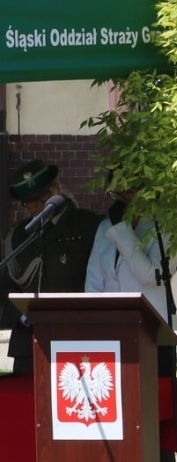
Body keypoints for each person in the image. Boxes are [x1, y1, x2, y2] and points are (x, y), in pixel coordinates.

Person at [85, 188, 177, 462]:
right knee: (115, 424)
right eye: (116, 187)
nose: (121, 194)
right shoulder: (107, 226)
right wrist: (89, 324)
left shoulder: (166, 224)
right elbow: (93, 280)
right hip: (112, 336)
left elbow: (152, 275)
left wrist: (123, 229)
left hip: (153, 336)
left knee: (155, 429)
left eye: (129, 186)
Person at [1, 161, 103, 375]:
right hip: (29, 343)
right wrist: (22, 315)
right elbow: (5, 284)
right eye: (29, 202)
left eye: (42, 197)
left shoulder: (90, 225)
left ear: (57, 189)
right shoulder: (17, 235)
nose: (37, 205)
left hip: (77, 338)